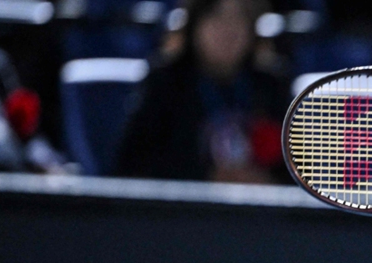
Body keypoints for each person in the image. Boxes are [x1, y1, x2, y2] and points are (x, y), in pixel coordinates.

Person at [117, 0, 289, 183]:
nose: (228, 30)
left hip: (258, 208)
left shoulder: (271, 85)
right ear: (195, 23)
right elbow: (133, 166)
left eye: (239, 18)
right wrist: (205, 178)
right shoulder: (165, 83)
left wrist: (265, 180)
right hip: (183, 208)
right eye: (216, 16)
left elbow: (297, 170)